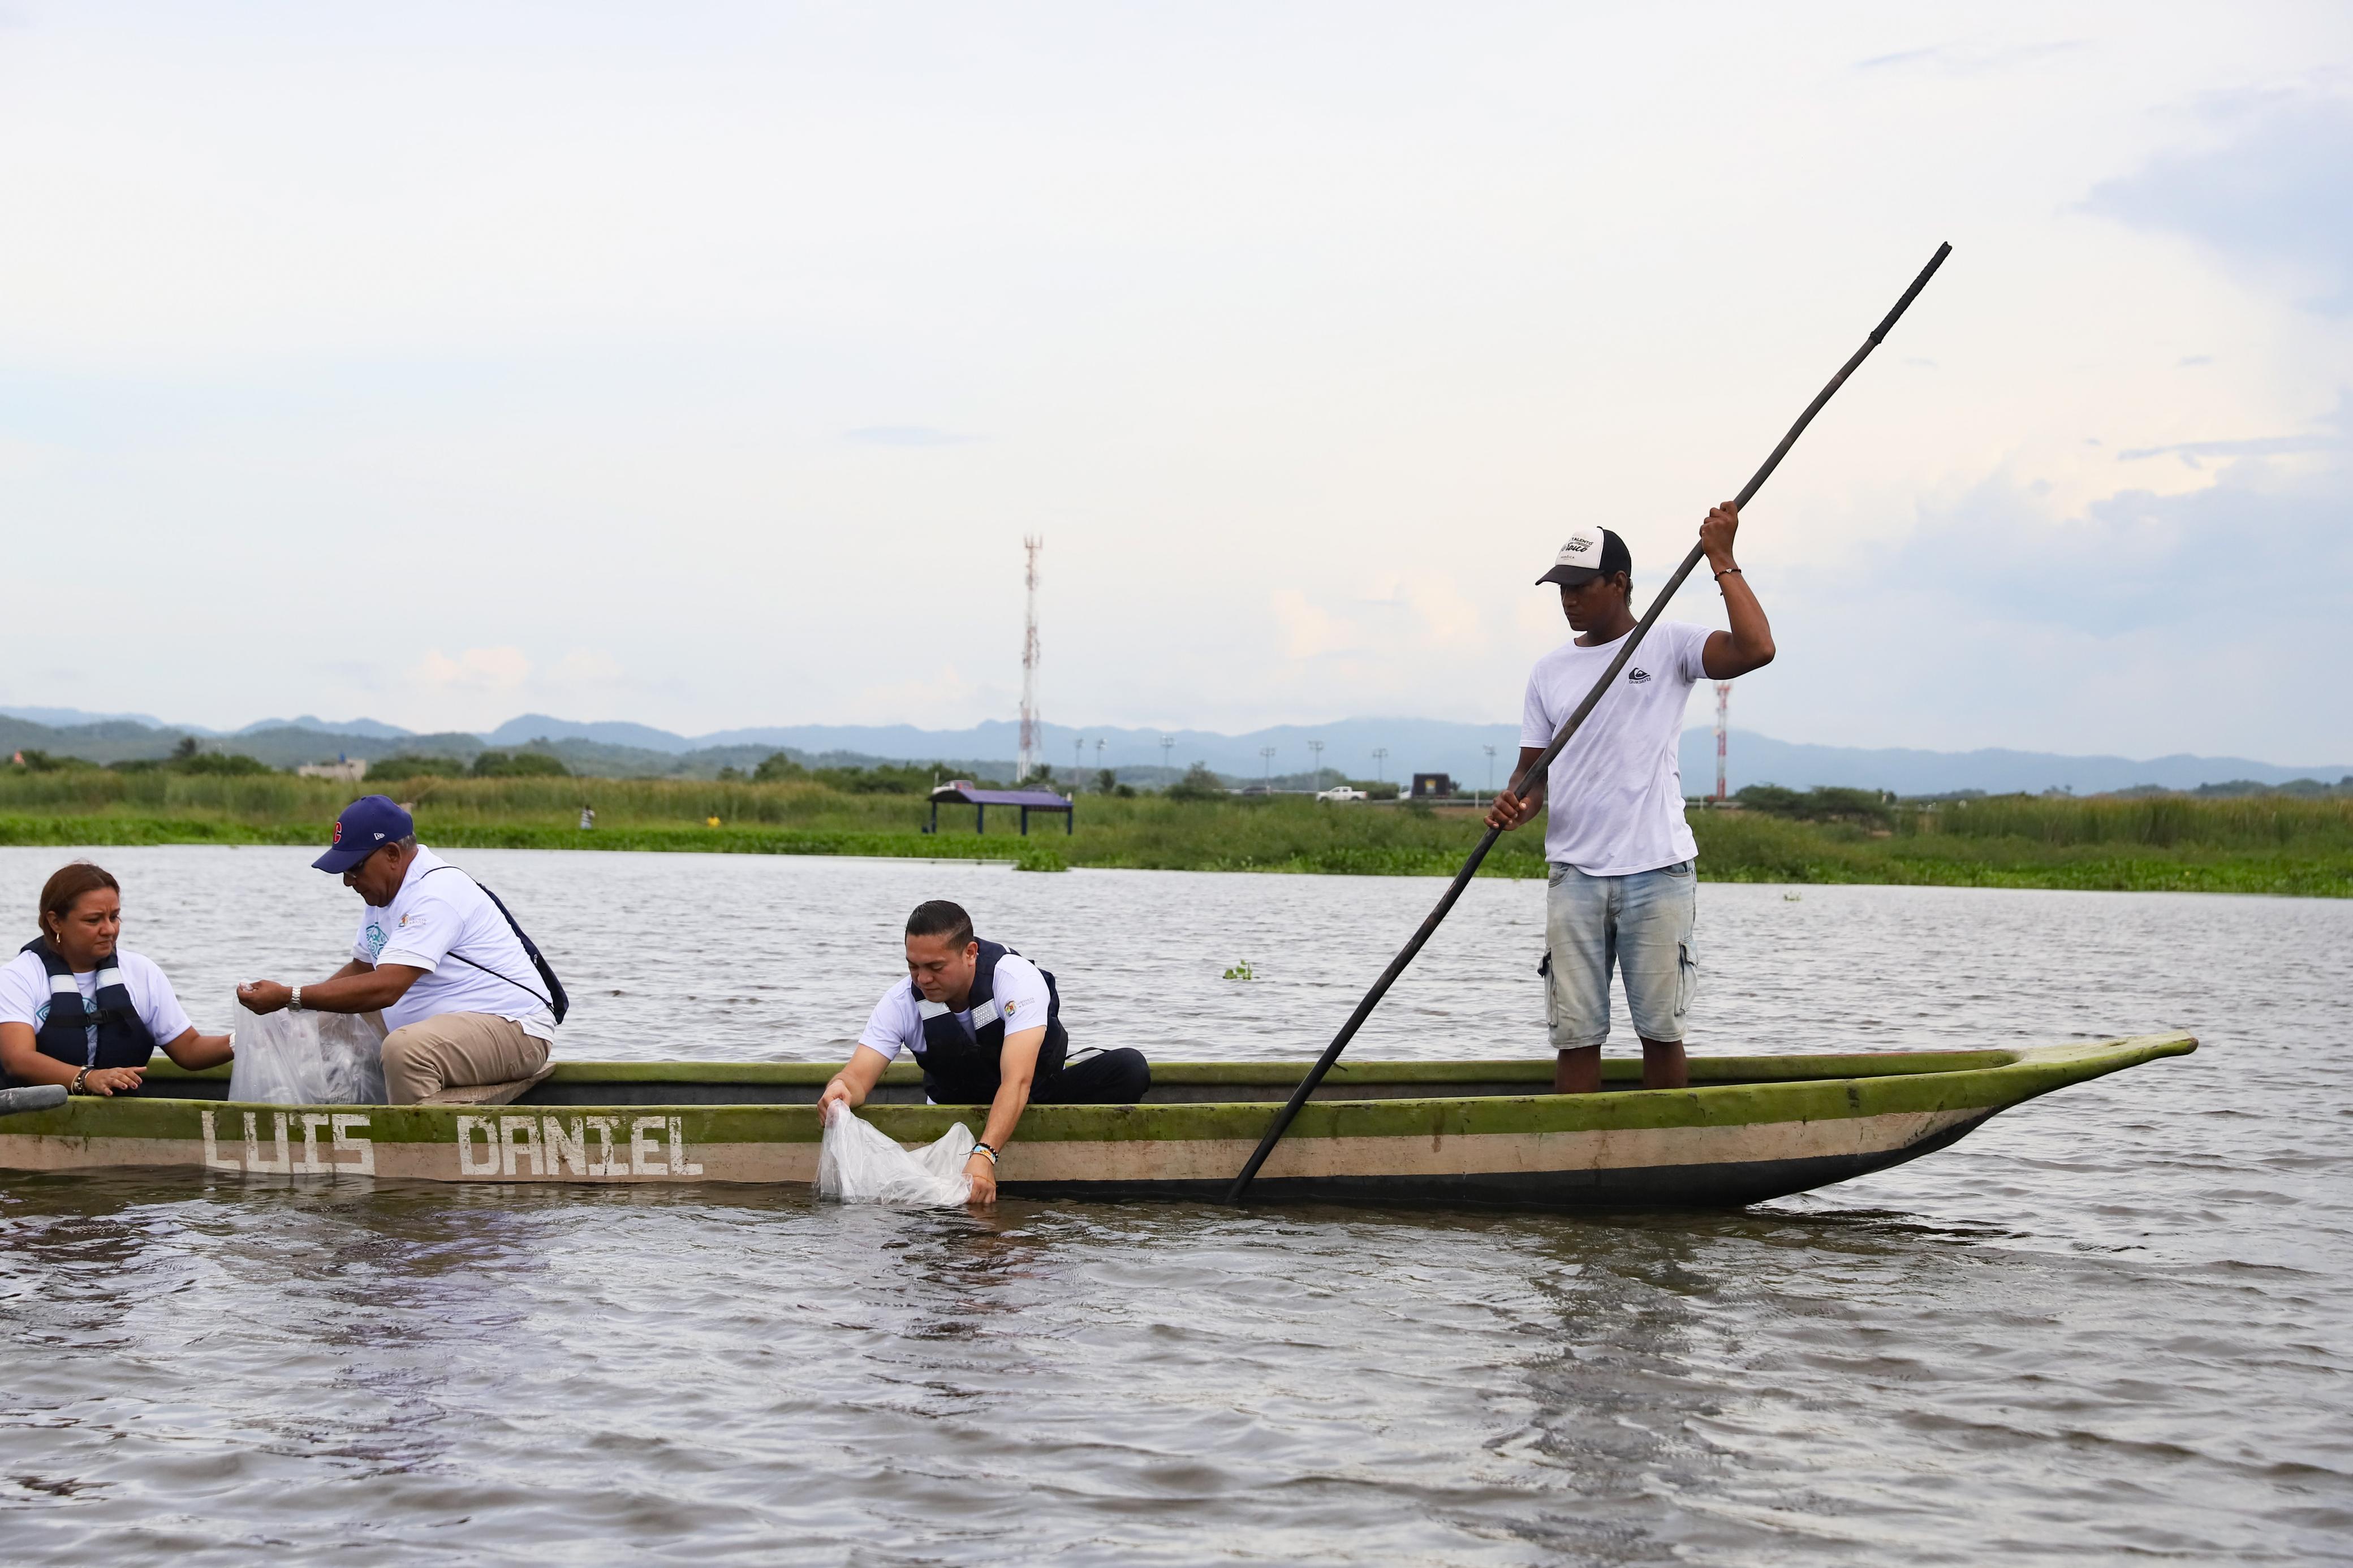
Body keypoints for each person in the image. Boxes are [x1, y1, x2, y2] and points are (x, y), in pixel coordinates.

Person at [1484, 503, 1777, 1094]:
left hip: (1657, 872)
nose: (1567, 599)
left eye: (1580, 586)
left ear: (1618, 583)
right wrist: (1516, 805)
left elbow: (1756, 649)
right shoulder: (1549, 671)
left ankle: (1663, 1139)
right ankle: (1577, 1144)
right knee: (1575, 1034)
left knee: (1661, 1032)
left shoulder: (1667, 644)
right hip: (1575, 876)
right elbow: (1531, 775)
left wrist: (1721, 558)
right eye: (1561, 588)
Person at [818, 900, 1150, 1204]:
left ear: (970, 953)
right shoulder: (900, 1002)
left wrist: (985, 1154)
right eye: (913, 966)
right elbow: (857, 1077)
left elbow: (1017, 1081)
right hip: (955, 1112)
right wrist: (839, 1090)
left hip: (1035, 1094)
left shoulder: (1015, 980)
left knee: (1130, 1068)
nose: (923, 979)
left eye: (936, 967)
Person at [236, 796, 563, 1104]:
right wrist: (294, 1019)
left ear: (392, 854)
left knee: (405, 1051)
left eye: (355, 867)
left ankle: (413, 1142)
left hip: (517, 1030)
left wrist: (291, 996)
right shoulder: (384, 895)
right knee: (326, 1022)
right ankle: (335, 1120)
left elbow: (388, 987)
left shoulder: (435, 893)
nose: (348, 881)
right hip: (449, 1026)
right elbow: (362, 970)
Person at [0, 862, 234, 1096]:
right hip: (34, 1111)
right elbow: (18, 1059)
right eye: (93, 920)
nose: (109, 930)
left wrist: (243, 1039)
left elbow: (190, 1050)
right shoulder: (18, 977)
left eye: (114, 917)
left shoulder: (142, 972)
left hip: (120, 1109)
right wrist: (88, 1078)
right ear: (56, 922)